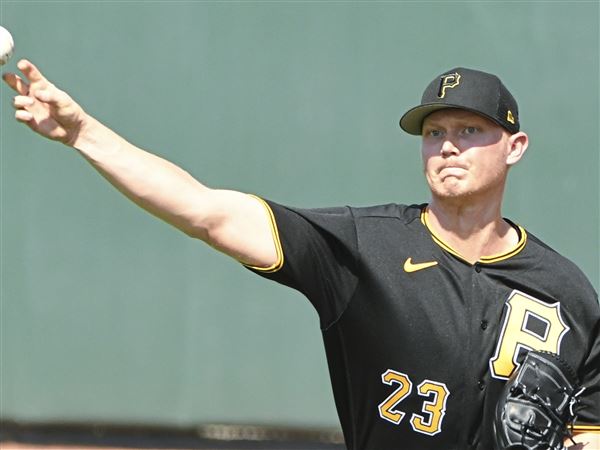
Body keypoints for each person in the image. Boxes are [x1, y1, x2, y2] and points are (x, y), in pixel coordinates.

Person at [4, 61, 599, 450]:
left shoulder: (566, 292)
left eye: (470, 130)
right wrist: (84, 134)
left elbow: (590, 430)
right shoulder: (364, 248)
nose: (447, 146)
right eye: (434, 131)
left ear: (514, 146)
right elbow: (204, 211)